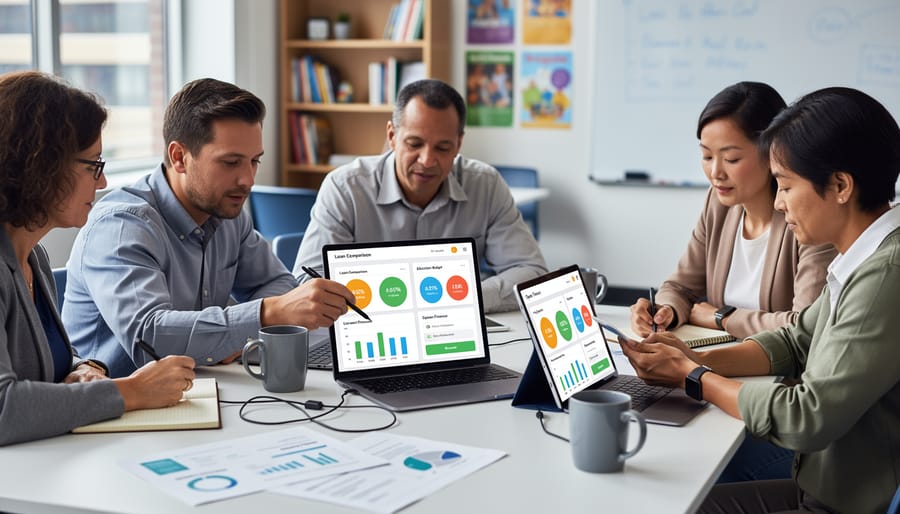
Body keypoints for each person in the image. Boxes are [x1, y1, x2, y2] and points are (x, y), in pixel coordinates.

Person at [621, 87, 900, 514]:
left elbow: (807, 416)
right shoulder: (862, 257)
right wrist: (692, 359)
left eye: (786, 186)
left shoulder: (885, 274)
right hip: (819, 488)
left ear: (841, 185)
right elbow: (796, 339)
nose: (779, 202)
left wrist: (693, 378)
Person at [63, 78, 355, 378]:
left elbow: (277, 284)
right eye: (231, 162)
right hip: (119, 410)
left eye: (254, 161)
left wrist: (231, 334)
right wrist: (265, 315)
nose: (248, 180)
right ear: (179, 157)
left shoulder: (228, 212)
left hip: (203, 394)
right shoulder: (122, 225)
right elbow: (150, 338)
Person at [0, 71, 195, 446]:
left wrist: (83, 368)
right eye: (93, 166)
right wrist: (133, 391)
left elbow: (42, 367)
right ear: (40, 166)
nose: (102, 182)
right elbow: (3, 407)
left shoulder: (33, 256)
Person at [293, 79, 547, 312]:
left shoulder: (485, 185)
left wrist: (465, 298)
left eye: (443, 147)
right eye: (415, 144)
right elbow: (308, 283)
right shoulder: (345, 188)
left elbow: (531, 273)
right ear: (392, 136)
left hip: (454, 327)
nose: (426, 161)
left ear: (458, 145)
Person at [630, 82, 835, 340]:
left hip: (777, 374)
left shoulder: (808, 216)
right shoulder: (719, 204)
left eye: (731, 159)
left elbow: (803, 326)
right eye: (707, 156)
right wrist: (665, 310)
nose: (716, 173)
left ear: (773, 153)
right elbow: (680, 286)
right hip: (722, 361)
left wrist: (722, 317)